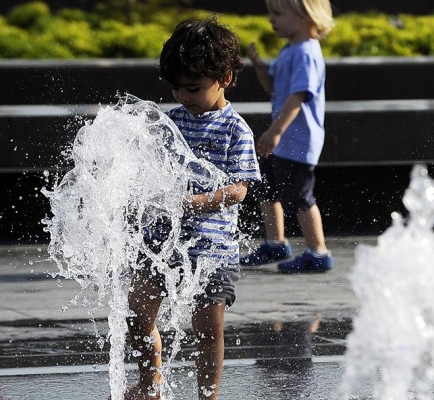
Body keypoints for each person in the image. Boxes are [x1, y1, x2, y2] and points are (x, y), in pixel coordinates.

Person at [125, 18, 260, 400]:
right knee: (137, 313)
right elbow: (149, 173)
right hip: (161, 243)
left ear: (226, 78)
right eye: (177, 87)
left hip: (212, 251)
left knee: (208, 328)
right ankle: (151, 381)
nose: (183, 95)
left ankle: (208, 395)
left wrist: (198, 202)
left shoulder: (236, 130)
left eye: (194, 88)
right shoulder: (170, 123)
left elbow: (239, 190)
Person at [243, 0, 335, 273]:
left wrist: (275, 132)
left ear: (305, 17)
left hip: (297, 142)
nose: (272, 20)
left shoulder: (306, 53)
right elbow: (274, 87)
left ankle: (318, 252)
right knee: (266, 188)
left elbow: (298, 96)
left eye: (278, 14)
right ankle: (275, 243)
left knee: (300, 196)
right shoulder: (291, 50)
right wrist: (260, 67)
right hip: (284, 140)